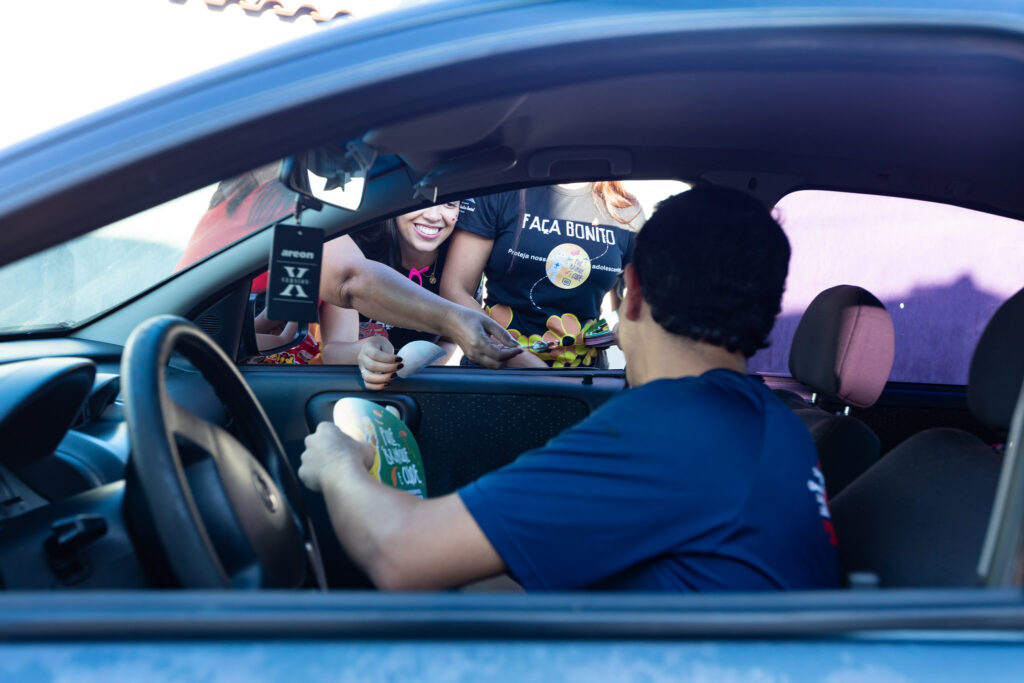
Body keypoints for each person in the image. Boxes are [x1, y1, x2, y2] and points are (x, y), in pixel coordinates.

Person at [298, 185, 840, 592]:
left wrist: (339, 463)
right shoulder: (781, 426)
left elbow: (399, 554)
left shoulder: (663, 433)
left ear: (631, 293)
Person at [177, 166, 521, 369]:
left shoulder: (275, 210)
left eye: (449, 204)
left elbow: (287, 323)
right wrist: (455, 318)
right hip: (214, 361)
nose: (434, 215)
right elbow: (347, 283)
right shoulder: (296, 214)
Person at [441, 182, 644, 368]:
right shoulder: (498, 191)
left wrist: (626, 327)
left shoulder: (625, 209)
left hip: (587, 377)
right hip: (497, 370)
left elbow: (643, 297)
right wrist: (527, 364)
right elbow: (454, 289)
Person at [319, 202, 461, 389]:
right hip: (354, 388)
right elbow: (332, 352)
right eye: (422, 200)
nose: (433, 216)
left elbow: (449, 340)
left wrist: (419, 377)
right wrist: (362, 351)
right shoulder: (360, 249)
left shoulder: (458, 265)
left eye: (449, 204)